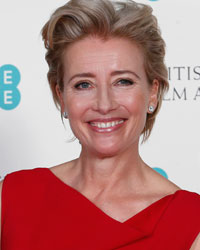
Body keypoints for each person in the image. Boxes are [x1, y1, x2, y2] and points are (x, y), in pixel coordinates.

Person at [0, 0, 200, 249]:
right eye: (83, 84)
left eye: (123, 81)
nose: (104, 104)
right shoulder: (11, 198)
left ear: (152, 92)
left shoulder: (192, 223)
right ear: (61, 96)